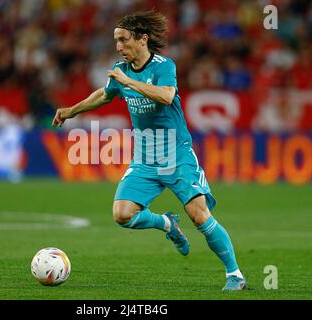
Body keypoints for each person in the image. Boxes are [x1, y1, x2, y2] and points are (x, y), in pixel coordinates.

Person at [52, 11, 246, 291]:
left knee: (199, 214)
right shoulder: (121, 71)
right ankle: (167, 224)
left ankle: (235, 275)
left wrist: (129, 82)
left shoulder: (163, 66)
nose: (118, 46)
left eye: (123, 40)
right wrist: (71, 111)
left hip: (176, 155)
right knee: (122, 214)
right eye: (116, 40)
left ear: (142, 39)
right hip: (145, 158)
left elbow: (166, 96)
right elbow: (104, 94)